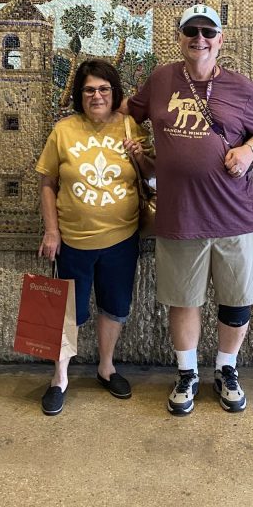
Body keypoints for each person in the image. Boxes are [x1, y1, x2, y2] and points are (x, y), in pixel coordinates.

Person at [127, 4, 253, 415]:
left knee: (237, 299)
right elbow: (128, 115)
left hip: (236, 216)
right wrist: (135, 154)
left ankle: (227, 369)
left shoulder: (241, 88)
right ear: (180, 37)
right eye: (191, 30)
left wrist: (247, 150)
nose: (199, 38)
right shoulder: (160, 79)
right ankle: (186, 372)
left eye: (208, 31)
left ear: (220, 39)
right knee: (183, 299)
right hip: (181, 215)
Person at [36, 59, 152, 415]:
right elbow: (47, 183)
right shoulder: (64, 131)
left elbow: (153, 177)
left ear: (114, 93)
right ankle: (60, 377)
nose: (96, 95)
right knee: (66, 313)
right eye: (89, 90)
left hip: (122, 239)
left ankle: (106, 367)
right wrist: (52, 231)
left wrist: (139, 158)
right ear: (79, 95)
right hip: (73, 241)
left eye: (103, 89)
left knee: (115, 308)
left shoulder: (131, 128)